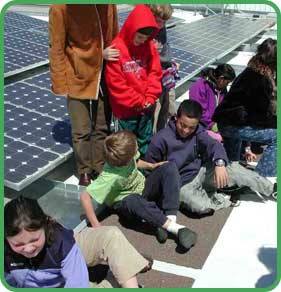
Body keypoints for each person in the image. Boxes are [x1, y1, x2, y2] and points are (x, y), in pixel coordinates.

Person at [145, 100, 276, 215]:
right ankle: (220, 196)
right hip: (181, 184)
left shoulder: (198, 131)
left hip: (201, 171)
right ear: (176, 118)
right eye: (182, 125)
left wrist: (219, 163)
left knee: (232, 167)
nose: (185, 131)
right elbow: (149, 169)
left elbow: (213, 144)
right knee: (200, 207)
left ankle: (272, 189)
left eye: (191, 127)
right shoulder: (161, 138)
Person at [80, 130, 197, 250]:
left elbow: (136, 161)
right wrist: (96, 225)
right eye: (136, 147)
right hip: (127, 204)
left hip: (143, 188)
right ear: (126, 161)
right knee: (132, 200)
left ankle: (168, 221)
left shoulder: (126, 155)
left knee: (169, 167)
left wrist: (152, 166)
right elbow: (85, 196)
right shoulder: (109, 175)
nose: (137, 147)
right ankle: (176, 229)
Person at [4, 196, 150, 288]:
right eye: (19, 244)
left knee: (110, 235)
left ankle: (129, 275)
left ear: (45, 224)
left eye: (34, 239)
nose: (28, 248)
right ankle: (127, 266)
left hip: (68, 259)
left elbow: (76, 282)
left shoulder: (61, 241)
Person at [49, 4, 119, 186]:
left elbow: (114, 36)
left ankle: (99, 166)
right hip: (76, 76)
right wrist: (60, 82)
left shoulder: (109, 4)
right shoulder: (61, 7)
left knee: (102, 125)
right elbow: (56, 48)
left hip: (104, 75)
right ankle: (84, 172)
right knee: (81, 129)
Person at [213, 38, 277, 178]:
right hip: (235, 125)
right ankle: (262, 180)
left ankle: (230, 179)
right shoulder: (261, 80)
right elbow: (261, 117)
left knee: (232, 162)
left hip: (227, 122)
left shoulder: (251, 71)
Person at [105, 4, 162, 158]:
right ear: (131, 29)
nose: (141, 41)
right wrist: (140, 101)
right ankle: (126, 177)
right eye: (139, 37)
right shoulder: (117, 48)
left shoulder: (148, 46)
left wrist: (150, 97)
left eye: (145, 39)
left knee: (144, 142)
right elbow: (116, 84)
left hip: (146, 108)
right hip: (125, 112)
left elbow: (155, 73)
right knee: (123, 148)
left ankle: (141, 175)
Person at [147, 4, 178, 132]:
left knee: (168, 112)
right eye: (159, 21)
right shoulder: (146, 31)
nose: (161, 24)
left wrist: (171, 62)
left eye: (164, 22)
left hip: (166, 75)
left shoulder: (161, 29)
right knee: (155, 113)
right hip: (154, 79)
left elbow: (164, 51)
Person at [189, 64, 236, 143]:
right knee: (220, 139)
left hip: (216, 125)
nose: (227, 85)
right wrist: (213, 126)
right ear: (221, 78)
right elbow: (200, 111)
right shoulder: (200, 86)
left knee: (236, 134)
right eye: (227, 83)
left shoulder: (221, 89)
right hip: (200, 126)